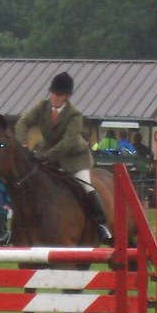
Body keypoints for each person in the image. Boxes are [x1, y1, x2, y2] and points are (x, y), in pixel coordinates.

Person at [14, 71, 112, 241]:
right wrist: (23, 145)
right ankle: (16, 230)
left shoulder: (75, 115)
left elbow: (68, 141)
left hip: (73, 158)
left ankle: (100, 224)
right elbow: (23, 122)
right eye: (52, 92)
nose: (54, 97)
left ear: (67, 96)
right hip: (46, 151)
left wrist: (46, 156)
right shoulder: (42, 106)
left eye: (58, 95)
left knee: (87, 187)